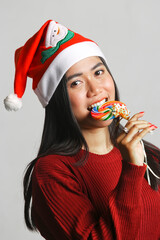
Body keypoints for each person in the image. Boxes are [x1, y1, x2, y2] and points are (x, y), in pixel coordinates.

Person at [4, 20, 160, 240]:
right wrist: (132, 168)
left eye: (98, 73)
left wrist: (138, 158)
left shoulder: (148, 154)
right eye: (76, 83)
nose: (95, 89)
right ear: (58, 100)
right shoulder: (52, 171)